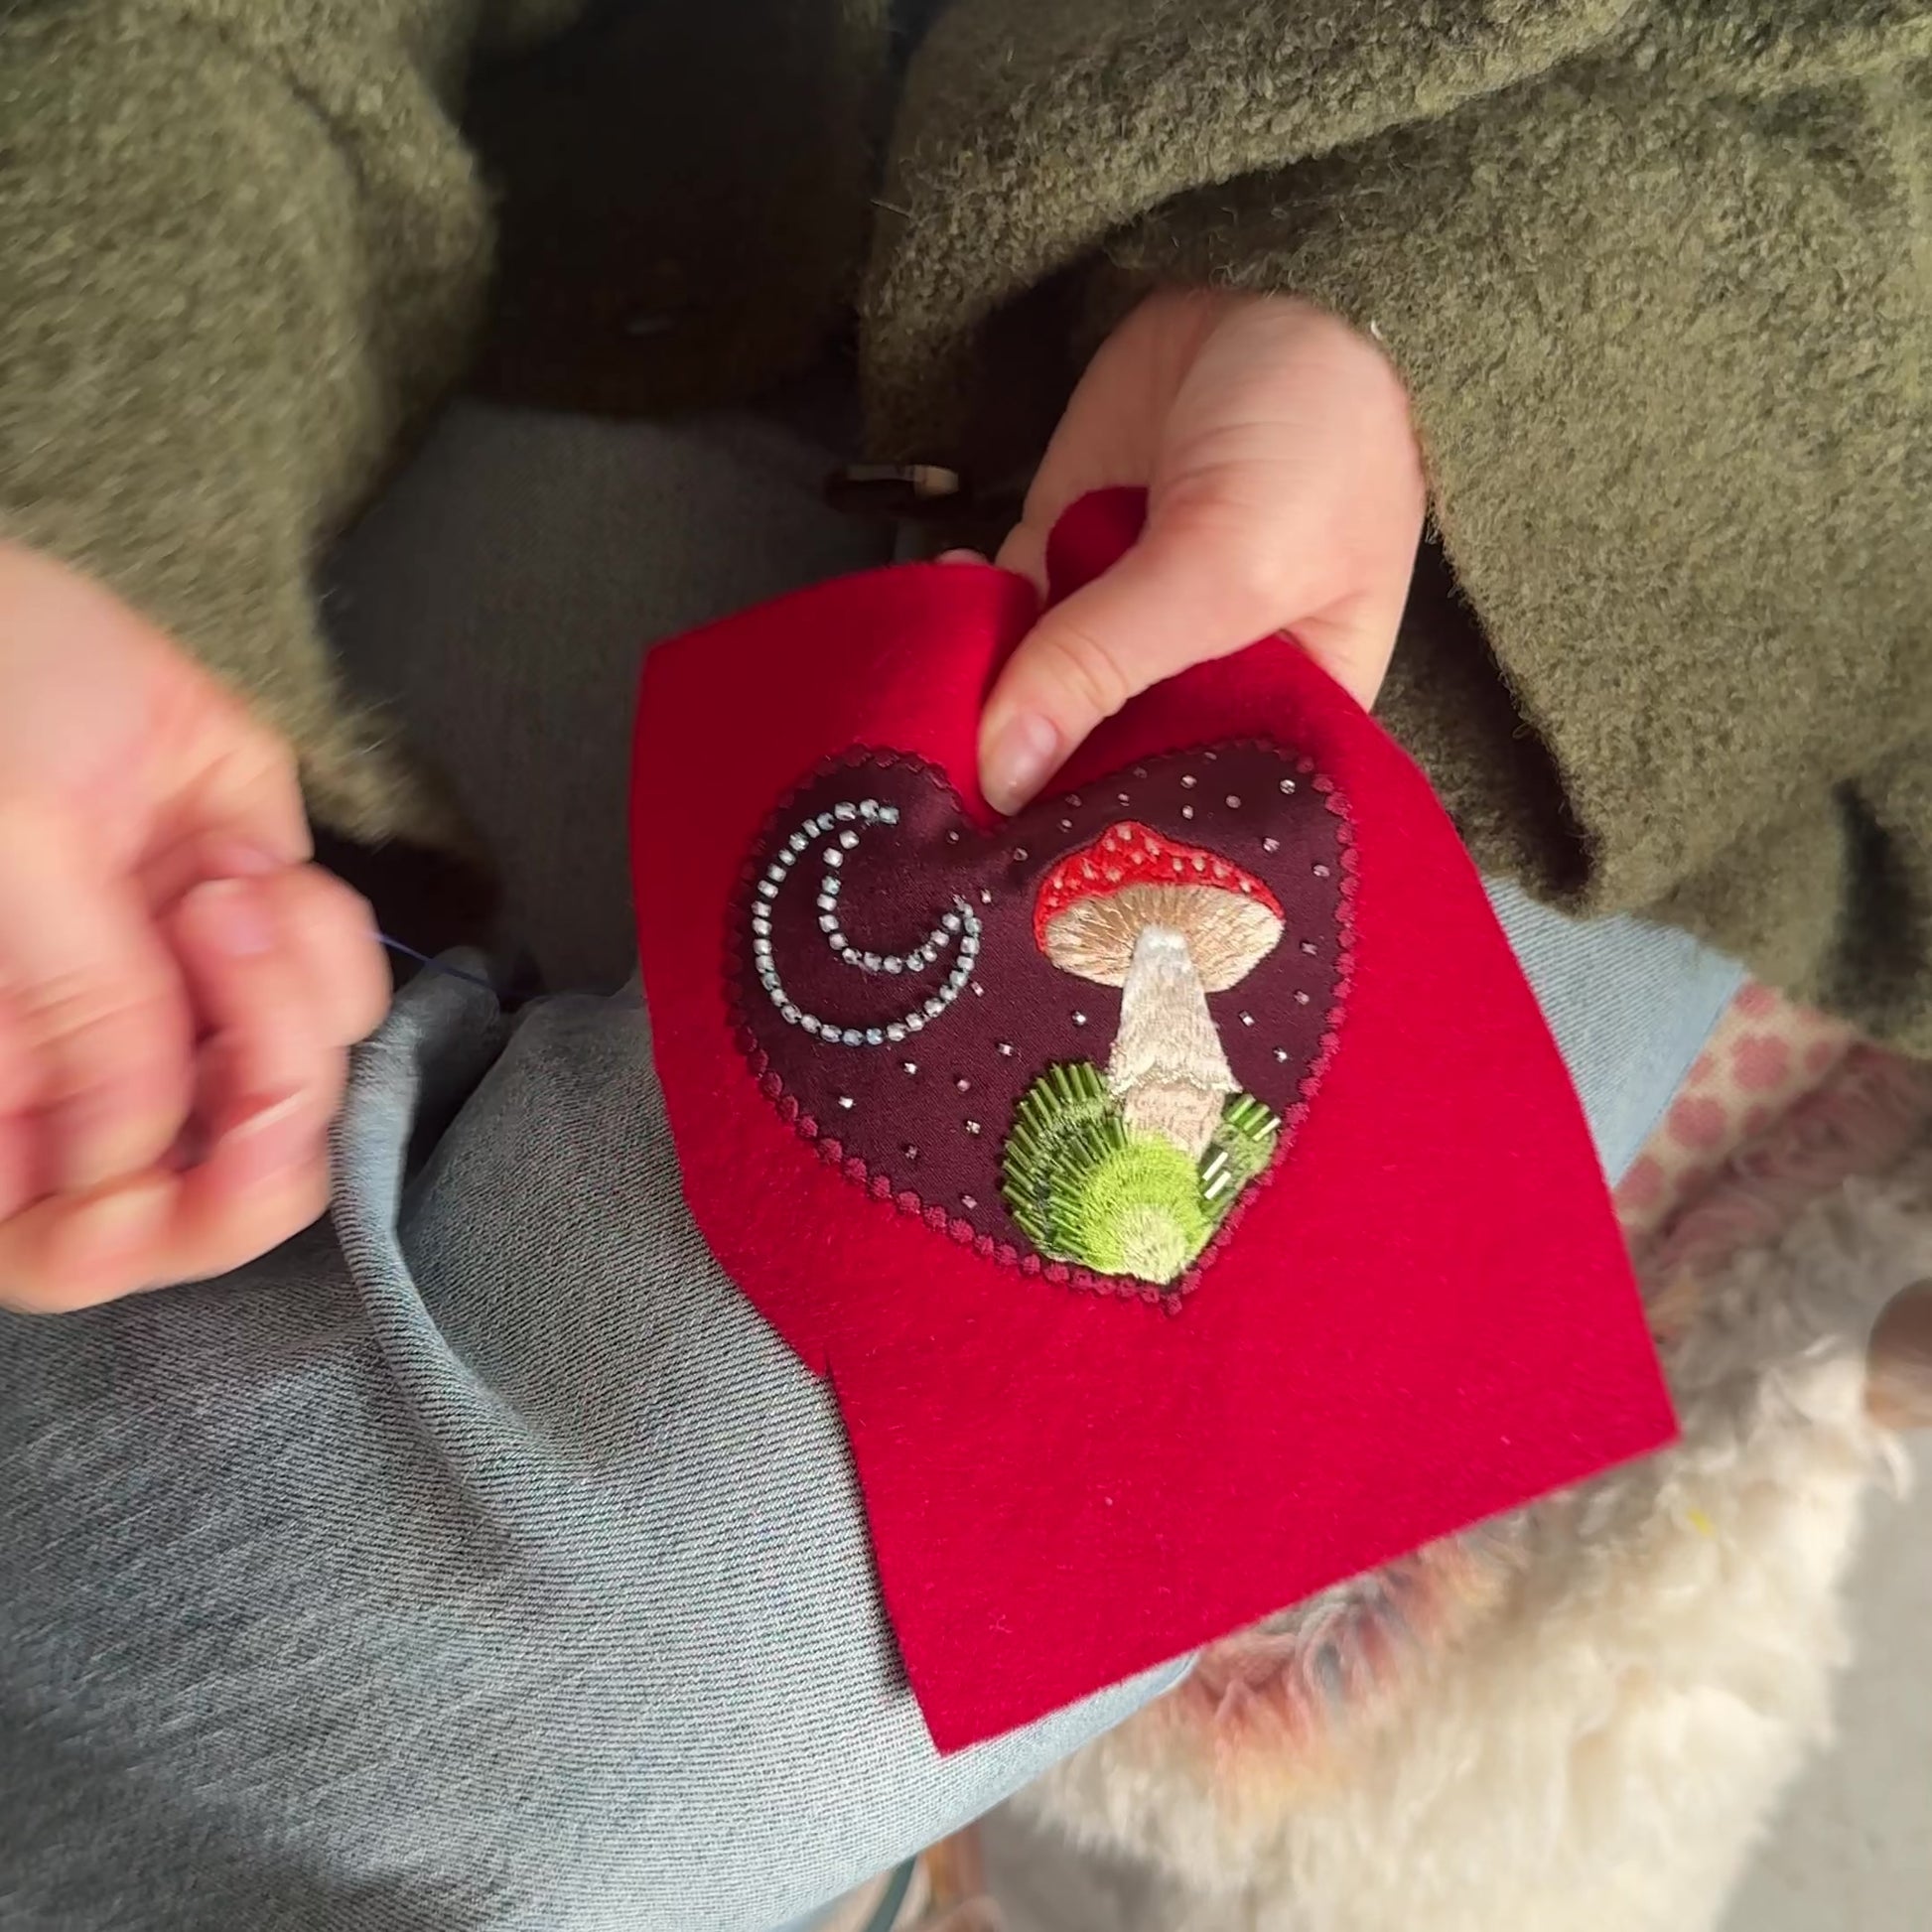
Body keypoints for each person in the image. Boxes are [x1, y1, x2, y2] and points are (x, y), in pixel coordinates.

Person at [0, 1, 1923, 1925]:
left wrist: (1459, 335)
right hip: (525, 225)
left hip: (1542, 461)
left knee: (537, 1689)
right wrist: (80, 483)